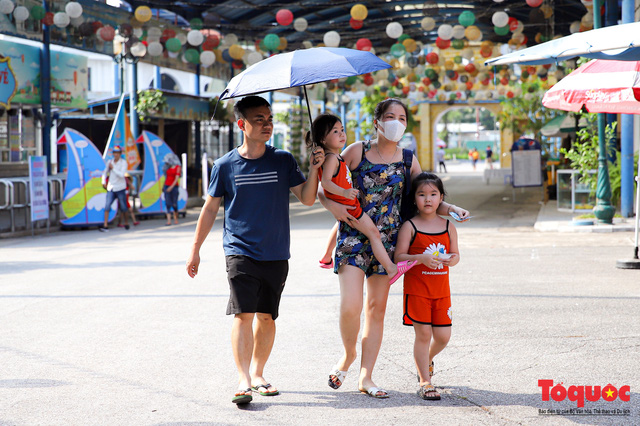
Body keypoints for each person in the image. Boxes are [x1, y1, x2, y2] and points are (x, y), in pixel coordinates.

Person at [318, 98, 468, 399]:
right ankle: (348, 355)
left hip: (388, 243)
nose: (395, 122)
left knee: (377, 310)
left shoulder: (409, 159)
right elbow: (325, 187)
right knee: (351, 306)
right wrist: (335, 211)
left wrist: (450, 209)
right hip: (352, 237)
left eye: (401, 118)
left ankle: (366, 376)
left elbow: (424, 196)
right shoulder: (356, 151)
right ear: (377, 122)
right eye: (389, 116)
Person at [185, 95, 324, 405]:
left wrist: (315, 169)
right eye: (259, 119)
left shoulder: (283, 160)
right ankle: (243, 379)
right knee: (243, 314)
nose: (267, 124)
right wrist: (195, 249)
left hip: (276, 252)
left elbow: (306, 198)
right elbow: (209, 210)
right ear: (242, 124)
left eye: (269, 118)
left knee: (266, 318)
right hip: (239, 250)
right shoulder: (225, 166)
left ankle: (259, 373)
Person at [307, 113, 415, 283]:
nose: (342, 134)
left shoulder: (335, 157)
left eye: (342, 130)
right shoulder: (331, 159)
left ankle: (326, 257)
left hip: (350, 205)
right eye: (335, 132)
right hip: (352, 207)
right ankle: (391, 268)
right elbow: (325, 183)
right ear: (323, 138)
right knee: (374, 234)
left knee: (352, 228)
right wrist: (344, 193)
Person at [394, 172, 460, 401]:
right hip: (417, 290)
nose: (428, 199)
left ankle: (427, 359)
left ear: (441, 198)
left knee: (442, 336)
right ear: (414, 199)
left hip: (441, 292)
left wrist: (452, 259)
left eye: (433, 194)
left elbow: (456, 255)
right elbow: (398, 257)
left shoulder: (448, 226)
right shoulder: (410, 226)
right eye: (422, 195)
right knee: (423, 334)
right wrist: (420, 258)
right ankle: (425, 381)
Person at [100, 146, 129, 232]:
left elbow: (121, 175)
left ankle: (126, 222)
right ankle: (105, 225)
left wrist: (113, 168)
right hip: (111, 187)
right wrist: (103, 181)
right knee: (107, 205)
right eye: (114, 153)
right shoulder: (110, 162)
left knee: (123, 207)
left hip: (120, 187)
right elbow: (105, 172)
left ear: (120, 154)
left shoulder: (123, 163)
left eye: (117, 153)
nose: (115, 154)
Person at [163, 153, 181, 226]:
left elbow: (176, 179)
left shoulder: (178, 167)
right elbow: (165, 176)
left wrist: (171, 187)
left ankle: (176, 219)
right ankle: (169, 221)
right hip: (166, 186)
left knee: (174, 204)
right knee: (167, 203)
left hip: (174, 187)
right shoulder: (167, 167)